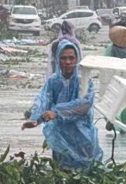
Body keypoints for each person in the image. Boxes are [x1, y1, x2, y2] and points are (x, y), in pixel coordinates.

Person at [22, 39, 102, 169]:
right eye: (63, 58)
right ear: (58, 60)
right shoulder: (54, 81)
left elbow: (84, 105)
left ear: (77, 59)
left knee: (85, 172)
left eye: (71, 58)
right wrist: (35, 119)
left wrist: (57, 112)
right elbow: (43, 99)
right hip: (60, 137)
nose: (68, 62)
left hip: (82, 136)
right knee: (61, 172)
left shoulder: (84, 81)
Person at [103, 24, 126, 133]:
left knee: (110, 102)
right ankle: (124, 125)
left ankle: (113, 120)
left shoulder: (110, 50)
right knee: (125, 104)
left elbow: (105, 64)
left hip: (113, 81)